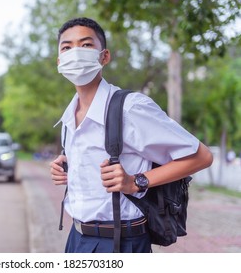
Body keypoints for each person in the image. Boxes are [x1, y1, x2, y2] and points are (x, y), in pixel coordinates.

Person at [50, 17, 213, 253]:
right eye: (67, 47)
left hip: (120, 241)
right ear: (59, 61)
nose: (75, 53)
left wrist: (135, 182)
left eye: (86, 45)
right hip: (77, 239)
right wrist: (68, 165)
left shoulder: (130, 108)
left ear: (104, 56)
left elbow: (201, 157)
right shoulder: (69, 116)